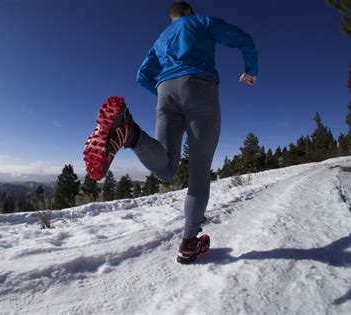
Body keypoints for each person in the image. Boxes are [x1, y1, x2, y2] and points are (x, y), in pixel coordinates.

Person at [83, 1, 258, 264]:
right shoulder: (202, 22)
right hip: (200, 88)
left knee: (165, 169)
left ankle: (130, 133)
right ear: (189, 11)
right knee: (199, 171)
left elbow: (143, 75)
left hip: (165, 93)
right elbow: (243, 39)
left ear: (171, 17)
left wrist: (166, 95)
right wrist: (251, 71)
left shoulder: (161, 39)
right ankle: (189, 242)